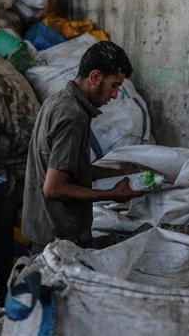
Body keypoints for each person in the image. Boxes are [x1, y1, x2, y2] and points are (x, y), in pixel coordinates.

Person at [22, 41, 144, 253]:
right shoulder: (73, 116)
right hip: (59, 239)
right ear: (95, 77)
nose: (115, 95)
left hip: (44, 229)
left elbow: (68, 168)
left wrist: (118, 172)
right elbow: (54, 188)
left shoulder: (58, 100)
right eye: (114, 85)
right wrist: (111, 194)